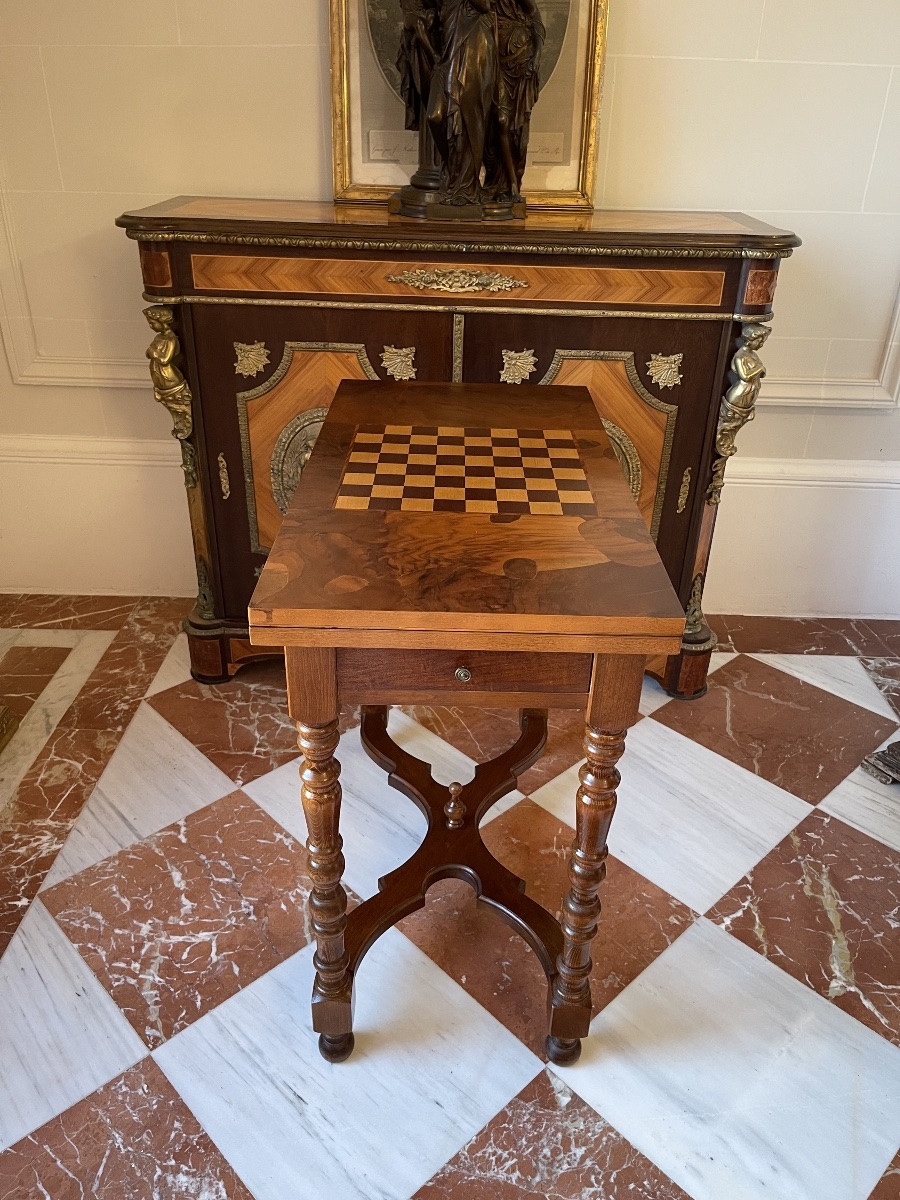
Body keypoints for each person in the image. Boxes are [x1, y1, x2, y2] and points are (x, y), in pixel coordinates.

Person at [427, 0, 498, 205]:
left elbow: (485, 5)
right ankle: (452, 170)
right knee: (436, 116)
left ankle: (466, 187)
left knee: (471, 114)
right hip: (449, 49)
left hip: (475, 42)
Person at [484, 0, 544, 201]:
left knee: (517, 131)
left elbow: (535, 17)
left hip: (521, 61)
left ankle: (512, 185)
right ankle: (499, 182)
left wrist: (536, 57)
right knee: (498, 122)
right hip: (495, 61)